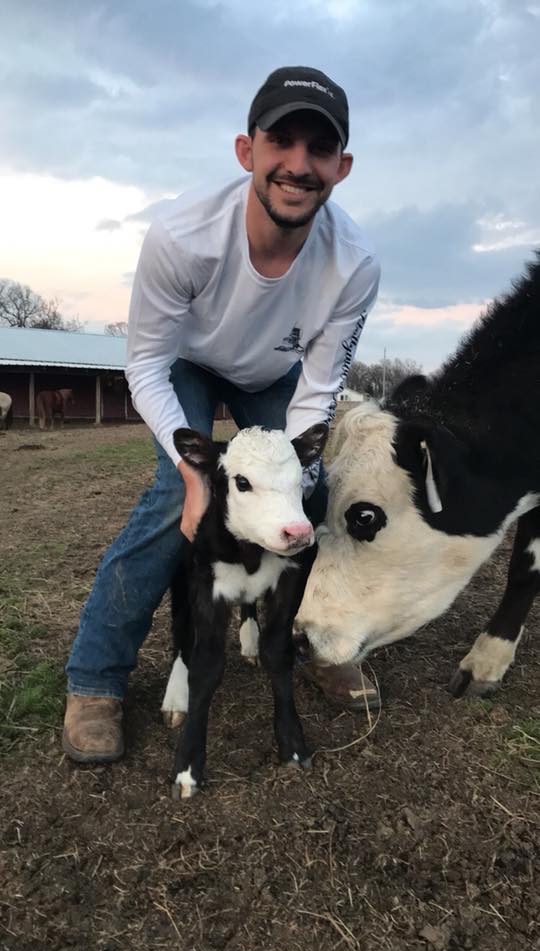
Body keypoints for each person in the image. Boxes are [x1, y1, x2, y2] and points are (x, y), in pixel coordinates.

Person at [63, 65, 381, 763]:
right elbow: (144, 363)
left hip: (277, 376)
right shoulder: (182, 238)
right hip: (187, 363)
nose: (298, 165)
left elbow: (319, 387)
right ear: (248, 151)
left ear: (342, 167)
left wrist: (288, 479)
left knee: (313, 493)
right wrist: (192, 470)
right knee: (170, 502)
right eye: (281, 142)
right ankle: (94, 679)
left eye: (319, 149)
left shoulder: (352, 265)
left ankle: (312, 639)